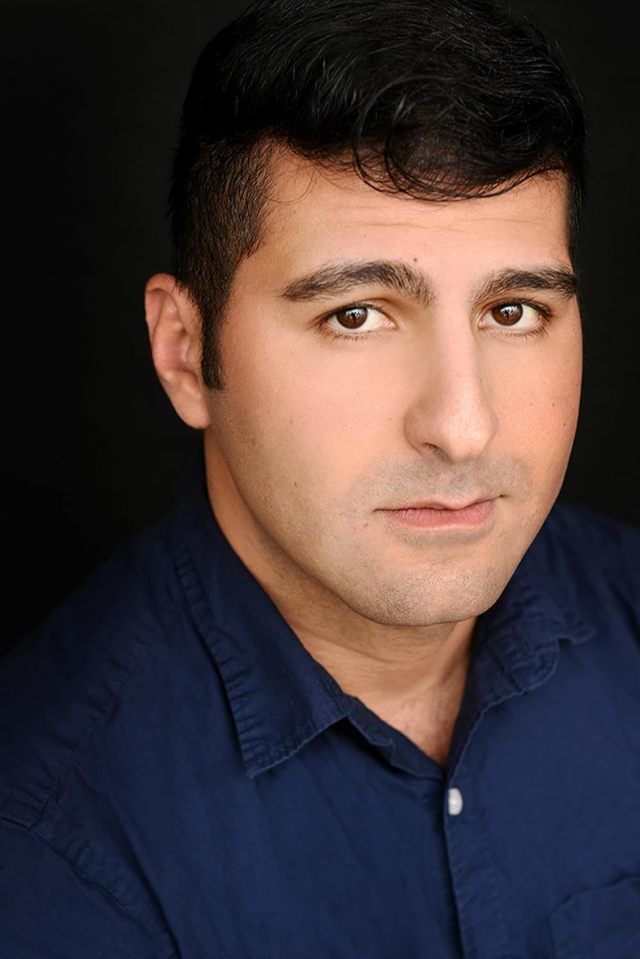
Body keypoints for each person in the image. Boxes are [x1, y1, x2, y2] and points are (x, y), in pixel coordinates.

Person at [1, 0, 639, 955]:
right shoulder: (47, 846)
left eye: (512, 311)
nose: (463, 427)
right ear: (185, 353)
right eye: (356, 315)